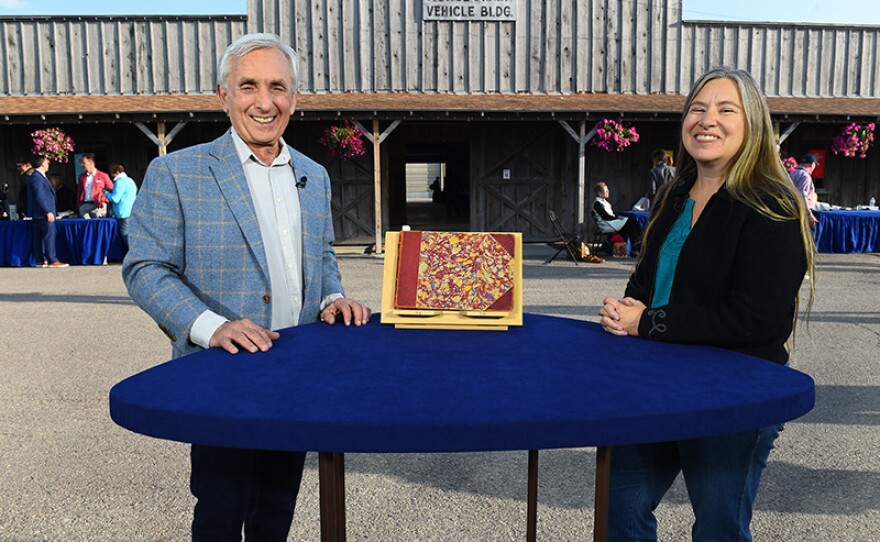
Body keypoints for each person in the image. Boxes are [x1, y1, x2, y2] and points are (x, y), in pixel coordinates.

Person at [122, 32, 372, 542]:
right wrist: (213, 329)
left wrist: (331, 297)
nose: (264, 101)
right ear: (223, 95)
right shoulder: (174, 172)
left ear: (294, 99)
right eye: (248, 86)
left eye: (278, 86)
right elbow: (146, 267)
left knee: (276, 509)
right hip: (220, 375)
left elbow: (320, 257)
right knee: (219, 512)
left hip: (296, 373)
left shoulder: (315, 175)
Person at [598, 67, 815, 541]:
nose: (706, 120)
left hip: (735, 392)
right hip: (654, 384)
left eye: (725, 109)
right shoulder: (673, 194)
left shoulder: (772, 204)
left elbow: (753, 319)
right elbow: (648, 278)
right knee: (618, 510)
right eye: (697, 108)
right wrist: (627, 305)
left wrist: (646, 323)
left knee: (718, 528)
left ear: (752, 123)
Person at [27, 156, 69, 268]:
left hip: (39, 213)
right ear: (41, 164)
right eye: (46, 162)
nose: (48, 164)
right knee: (49, 235)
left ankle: (41, 260)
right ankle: (52, 259)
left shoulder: (39, 176)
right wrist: (47, 211)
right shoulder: (37, 177)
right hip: (42, 213)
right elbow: (40, 196)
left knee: (39, 236)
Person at [592, 181, 642, 255]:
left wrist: (618, 218)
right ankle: (635, 248)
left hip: (610, 222)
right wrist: (617, 217)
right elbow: (605, 216)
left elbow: (611, 213)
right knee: (631, 220)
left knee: (633, 225)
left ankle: (636, 247)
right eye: (606, 191)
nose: (608, 192)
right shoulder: (597, 203)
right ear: (599, 193)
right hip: (606, 224)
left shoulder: (605, 202)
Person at [104, 163, 138, 252]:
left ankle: (134, 254)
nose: (112, 176)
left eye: (112, 174)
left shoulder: (119, 182)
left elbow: (115, 199)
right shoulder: (130, 180)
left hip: (123, 213)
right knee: (132, 235)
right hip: (132, 211)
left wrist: (106, 193)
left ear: (117, 172)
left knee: (125, 236)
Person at [76, 153, 113, 218]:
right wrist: (79, 204)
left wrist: (103, 199)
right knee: (86, 226)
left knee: (98, 226)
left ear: (91, 163)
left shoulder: (103, 176)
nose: (82, 165)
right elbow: (79, 191)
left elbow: (112, 189)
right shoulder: (81, 177)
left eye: (84, 163)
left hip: (98, 206)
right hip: (85, 205)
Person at [790, 153, 820, 230]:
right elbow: (803, 195)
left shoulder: (793, 173)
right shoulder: (805, 176)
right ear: (812, 164)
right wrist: (809, 214)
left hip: (792, 209)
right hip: (803, 212)